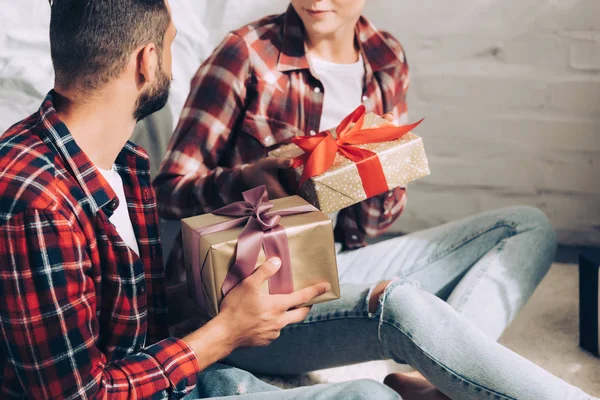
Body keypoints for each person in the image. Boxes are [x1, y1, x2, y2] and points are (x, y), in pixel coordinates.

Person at [154, 1, 598, 399]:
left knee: (527, 226)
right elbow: (166, 192)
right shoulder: (246, 52)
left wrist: (374, 178)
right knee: (399, 302)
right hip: (258, 295)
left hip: (341, 258)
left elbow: (370, 228)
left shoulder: (386, 58)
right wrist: (247, 179)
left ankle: (438, 383)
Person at [0, 1, 408, 399]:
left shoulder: (123, 162)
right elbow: (81, 393)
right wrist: (228, 331)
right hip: (140, 386)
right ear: (147, 60)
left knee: (370, 390)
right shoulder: (38, 206)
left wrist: (222, 301)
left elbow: (138, 316)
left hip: (161, 370)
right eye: (172, 43)